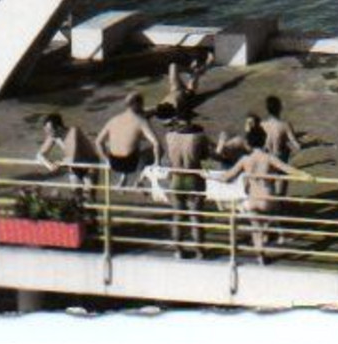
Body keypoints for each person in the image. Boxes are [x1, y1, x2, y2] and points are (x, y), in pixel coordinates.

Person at [220, 127, 297, 265]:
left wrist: (207, 176)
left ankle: (260, 256)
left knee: (255, 229)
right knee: (268, 221)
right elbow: (287, 169)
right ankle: (269, 234)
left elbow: (227, 177)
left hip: (252, 199)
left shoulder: (245, 159)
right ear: (264, 140)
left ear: (248, 142)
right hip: (267, 198)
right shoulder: (268, 158)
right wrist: (307, 176)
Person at [164, 109, 213, 259]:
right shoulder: (198, 137)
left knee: (178, 217)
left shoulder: (169, 136)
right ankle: (199, 251)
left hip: (177, 177)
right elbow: (204, 155)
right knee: (195, 217)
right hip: (193, 177)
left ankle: (178, 250)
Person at [95, 93, 162, 186]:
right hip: (131, 163)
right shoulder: (140, 121)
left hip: (114, 163)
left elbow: (98, 142)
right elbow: (156, 143)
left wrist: (106, 159)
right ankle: (140, 180)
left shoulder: (113, 120)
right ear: (139, 104)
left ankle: (123, 177)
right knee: (158, 150)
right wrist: (157, 163)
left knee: (124, 144)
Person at [37, 113, 101, 188]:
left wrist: (60, 163)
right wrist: (49, 165)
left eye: (49, 130)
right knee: (76, 193)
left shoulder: (73, 131)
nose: (48, 133)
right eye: (46, 130)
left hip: (89, 163)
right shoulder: (53, 136)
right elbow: (39, 155)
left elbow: (72, 157)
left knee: (89, 193)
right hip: (73, 164)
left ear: (59, 128)